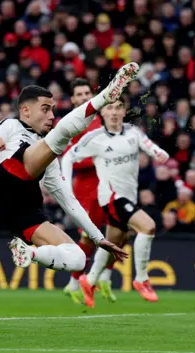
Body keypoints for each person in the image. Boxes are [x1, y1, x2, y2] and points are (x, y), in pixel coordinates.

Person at [0, 63, 139, 274]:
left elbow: (69, 202)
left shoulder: (49, 160)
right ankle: (106, 95)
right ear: (25, 110)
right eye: (45, 109)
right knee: (57, 138)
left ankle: (29, 253)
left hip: (18, 213)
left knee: (77, 259)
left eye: (52, 109)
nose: (51, 115)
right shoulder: (10, 126)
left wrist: (99, 238)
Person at [61, 94, 169, 308]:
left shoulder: (133, 132)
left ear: (123, 111)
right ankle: (142, 279)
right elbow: (68, 156)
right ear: (102, 112)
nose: (114, 112)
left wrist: (159, 152)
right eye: (109, 108)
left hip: (128, 196)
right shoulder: (95, 139)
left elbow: (148, 145)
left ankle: (89, 280)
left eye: (119, 107)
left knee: (115, 242)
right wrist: (65, 183)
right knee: (148, 227)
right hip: (111, 197)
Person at [60, 79, 109, 304]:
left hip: (104, 184)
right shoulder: (70, 123)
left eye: (86, 93)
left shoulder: (99, 120)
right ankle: (82, 280)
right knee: (90, 236)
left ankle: (85, 280)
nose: (83, 97)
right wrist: (97, 156)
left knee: (116, 232)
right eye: (78, 94)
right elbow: (70, 158)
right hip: (84, 188)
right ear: (72, 99)